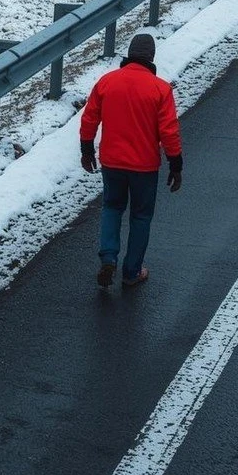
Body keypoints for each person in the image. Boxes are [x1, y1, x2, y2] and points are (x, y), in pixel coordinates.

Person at [79, 33, 183, 288]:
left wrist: (86, 150)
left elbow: (89, 118)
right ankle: (132, 272)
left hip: (112, 162)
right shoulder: (160, 89)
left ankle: (108, 258)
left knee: (112, 208)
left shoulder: (107, 82)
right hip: (144, 166)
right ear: (151, 57)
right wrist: (176, 164)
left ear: (130, 53)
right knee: (140, 216)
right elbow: (168, 131)